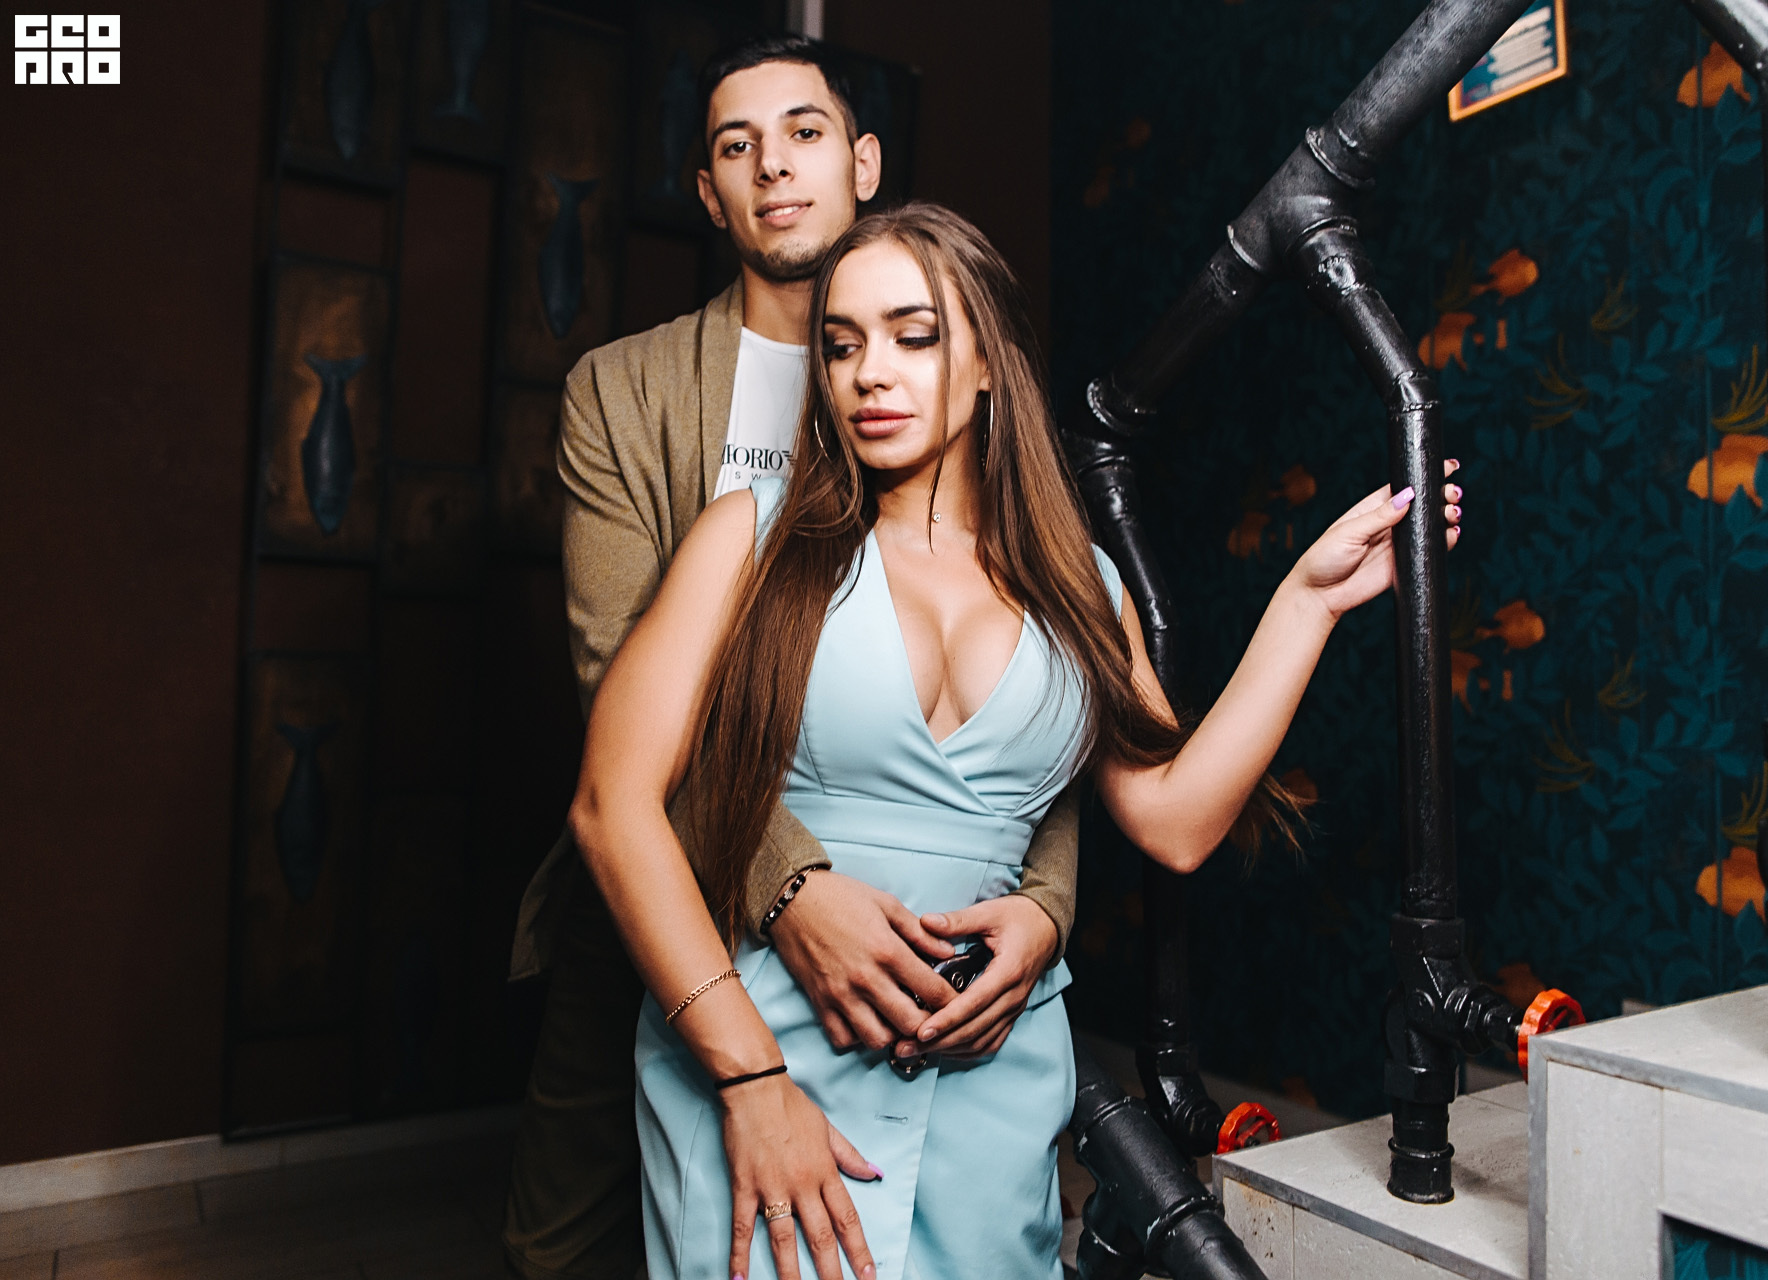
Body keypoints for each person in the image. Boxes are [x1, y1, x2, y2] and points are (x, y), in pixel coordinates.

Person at [570, 202, 1465, 1280]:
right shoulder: (751, 537)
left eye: (913, 335)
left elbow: (1175, 819)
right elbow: (612, 805)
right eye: (841, 345)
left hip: (990, 1087)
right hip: (766, 1057)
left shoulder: (1078, 580)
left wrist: (1307, 604)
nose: (868, 373)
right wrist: (748, 1081)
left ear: (989, 360)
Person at [502, 37, 1079, 1280]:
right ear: (708, 194)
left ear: (864, 162)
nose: (773, 165)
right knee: (559, 1240)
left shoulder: (945, 385)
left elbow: (1037, 708)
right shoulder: (623, 390)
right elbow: (622, 693)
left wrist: (1045, 901)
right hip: (661, 896)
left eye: (805, 132)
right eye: (736, 144)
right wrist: (786, 883)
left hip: (916, 957)